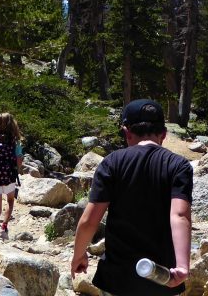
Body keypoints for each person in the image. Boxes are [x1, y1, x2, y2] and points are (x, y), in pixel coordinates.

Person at [71, 99, 192, 295]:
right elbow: (180, 216)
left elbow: (89, 220)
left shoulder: (112, 163)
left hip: (118, 276)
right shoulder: (178, 165)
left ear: (127, 132)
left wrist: (79, 255)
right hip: (161, 276)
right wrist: (182, 266)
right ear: (163, 134)